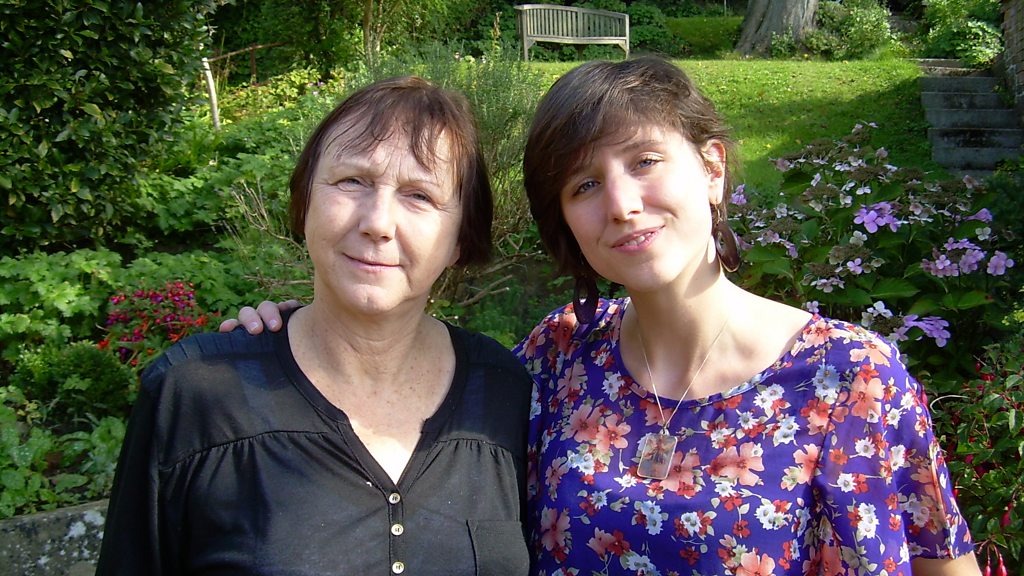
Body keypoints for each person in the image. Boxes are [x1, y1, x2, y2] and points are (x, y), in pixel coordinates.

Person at [223, 57, 980, 575]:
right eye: (583, 184)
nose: (620, 204)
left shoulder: (850, 377)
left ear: (712, 168)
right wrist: (308, 337)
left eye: (644, 162)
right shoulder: (558, 355)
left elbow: (942, 561)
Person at [97, 76, 533, 576]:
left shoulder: (506, 393)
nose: (378, 223)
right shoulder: (195, 395)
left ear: (459, 239)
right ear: (304, 200)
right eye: (353, 181)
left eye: (419, 195)